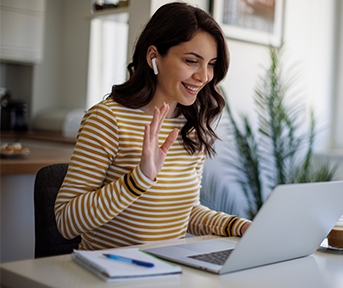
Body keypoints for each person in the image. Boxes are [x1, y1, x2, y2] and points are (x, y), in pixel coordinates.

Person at [54, 2, 251, 251]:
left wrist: (239, 226)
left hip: (168, 271)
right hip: (109, 272)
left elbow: (183, 212)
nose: (204, 76)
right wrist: (139, 179)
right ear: (153, 57)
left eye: (211, 63)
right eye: (192, 61)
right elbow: (65, 221)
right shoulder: (108, 120)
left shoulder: (191, 125)